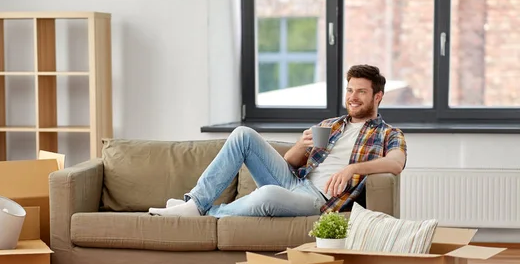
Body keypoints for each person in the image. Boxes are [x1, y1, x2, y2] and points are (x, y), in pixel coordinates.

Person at [149, 64, 407, 218]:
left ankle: (203, 212)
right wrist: (299, 147)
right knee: (243, 134)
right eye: (350, 90)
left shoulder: (388, 133)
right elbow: (290, 162)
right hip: (295, 181)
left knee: (268, 195)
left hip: (317, 200)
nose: (353, 97)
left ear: (378, 96)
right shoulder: (331, 125)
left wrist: (353, 168)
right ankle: (196, 202)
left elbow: (396, 163)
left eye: (361, 91)